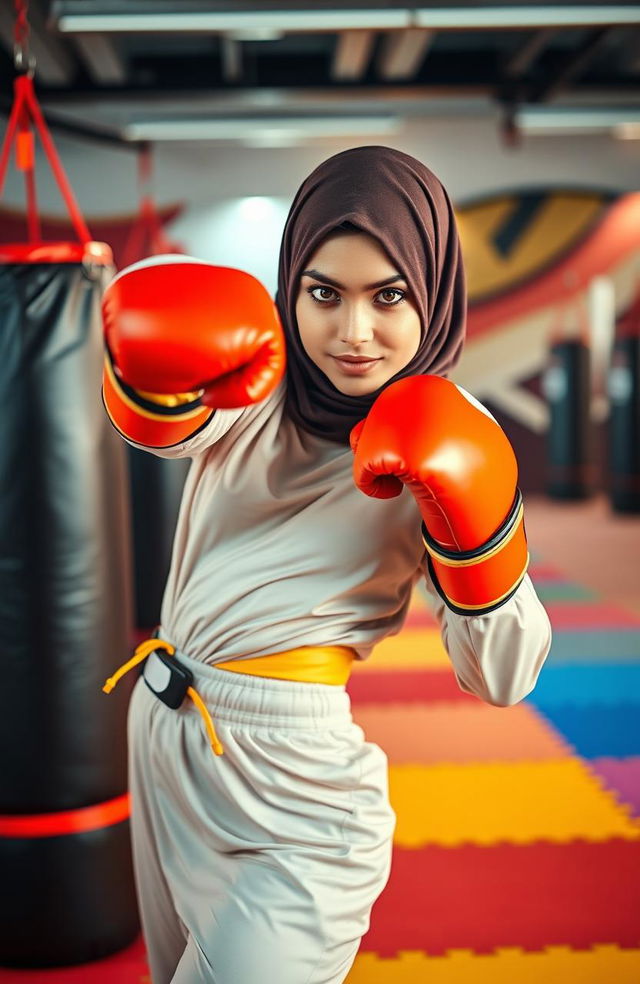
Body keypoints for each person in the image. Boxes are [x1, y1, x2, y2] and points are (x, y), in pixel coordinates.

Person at [101, 145, 552, 984]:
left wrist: (474, 528)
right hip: (162, 731)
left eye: (389, 297)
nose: (352, 333)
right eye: (323, 293)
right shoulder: (254, 384)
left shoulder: (454, 432)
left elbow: (505, 676)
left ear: (434, 289)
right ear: (289, 291)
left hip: (293, 780)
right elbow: (152, 422)